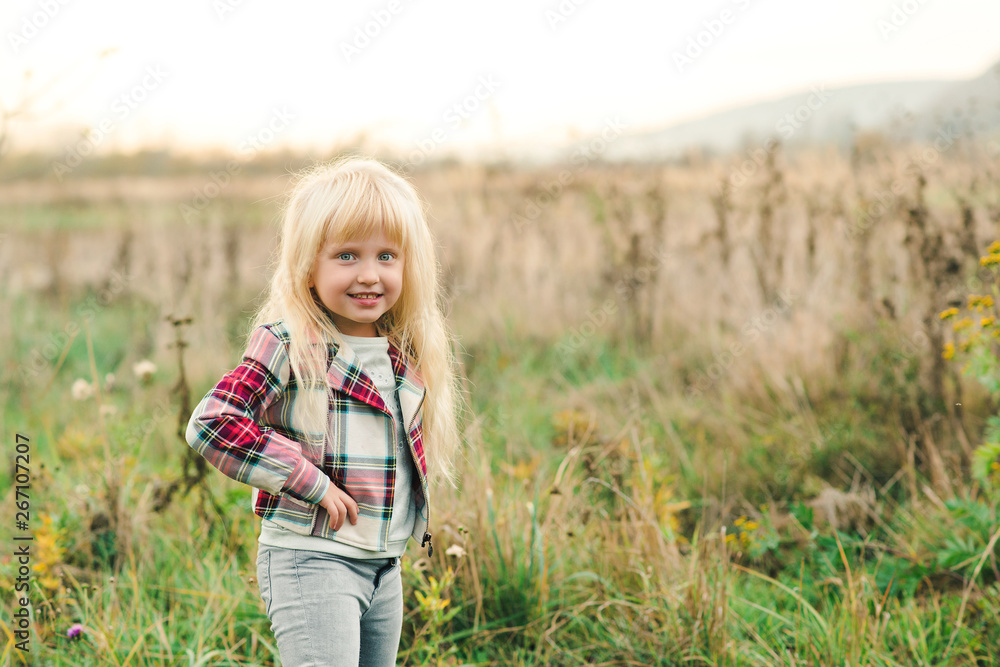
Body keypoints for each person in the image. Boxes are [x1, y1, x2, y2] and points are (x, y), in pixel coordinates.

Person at [185, 156, 464, 666]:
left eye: (386, 256)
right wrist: (308, 481)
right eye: (346, 256)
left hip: (384, 566)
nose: (369, 275)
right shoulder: (289, 342)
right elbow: (213, 421)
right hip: (311, 559)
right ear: (308, 266)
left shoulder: (405, 349)